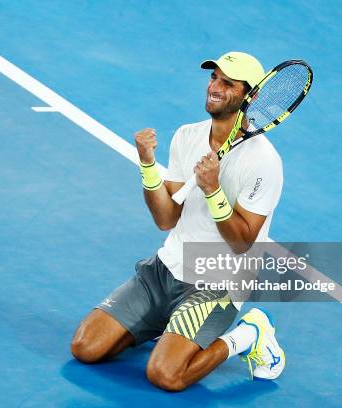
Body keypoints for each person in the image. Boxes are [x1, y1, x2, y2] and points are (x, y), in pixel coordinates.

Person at [70, 51, 285, 391]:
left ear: (251, 95)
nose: (215, 87)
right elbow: (166, 218)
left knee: (166, 375)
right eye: (213, 78)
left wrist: (214, 191)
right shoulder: (187, 136)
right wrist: (147, 164)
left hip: (215, 286)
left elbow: (243, 242)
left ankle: (248, 335)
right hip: (165, 271)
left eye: (227, 83)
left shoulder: (264, 162)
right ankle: (166, 325)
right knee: (85, 347)